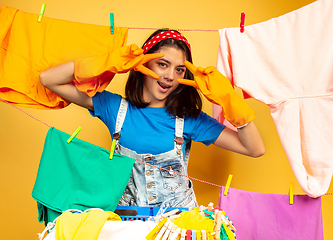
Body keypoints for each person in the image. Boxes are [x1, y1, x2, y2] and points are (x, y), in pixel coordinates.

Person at [40, 29, 265, 207]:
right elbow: (49, 79)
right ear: (144, 64)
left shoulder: (188, 118)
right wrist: (104, 62)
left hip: (178, 224)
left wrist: (230, 99)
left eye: (179, 70)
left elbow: (255, 149)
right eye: (162, 64)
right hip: (127, 222)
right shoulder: (114, 108)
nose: (169, 76)